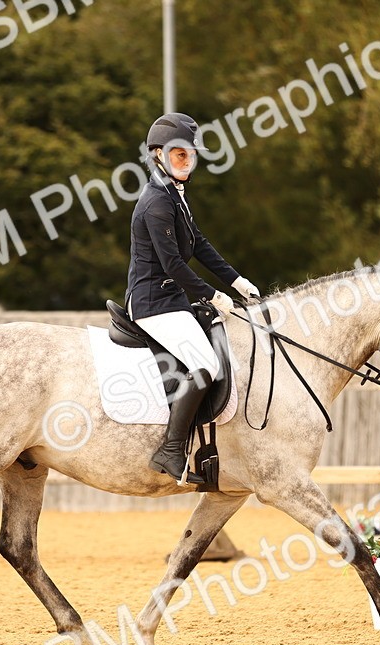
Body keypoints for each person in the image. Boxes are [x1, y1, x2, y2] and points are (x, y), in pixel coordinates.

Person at [125, 112, 261, 484]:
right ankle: (170, 449)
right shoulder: (156, 202)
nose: (187, 162)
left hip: (171, 300)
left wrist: (236, 280)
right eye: (178, 155)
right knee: (205, 364)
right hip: (153, 302)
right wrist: (214, 295)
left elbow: (198, 243)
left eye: (190, 155)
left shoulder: (174, 194)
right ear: (158, 155)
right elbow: (172, 265)